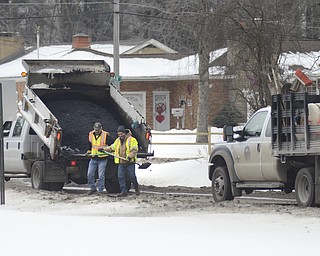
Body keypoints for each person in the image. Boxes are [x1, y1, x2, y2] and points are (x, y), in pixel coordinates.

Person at [106, 125, 140, 197]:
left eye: (121, 134)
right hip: (121, 162)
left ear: (124, 133)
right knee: (120, 177)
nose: (120, 135)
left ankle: (136, 188)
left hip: (129, 162)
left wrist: (130, 157)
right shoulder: (118, 140)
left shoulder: (132, 140)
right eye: (119, 134)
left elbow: (134, 150)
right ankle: (123, 191)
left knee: (132, 176)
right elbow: (112, 147)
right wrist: (104, 149)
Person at [86, 122, 110, 195]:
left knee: (101, 175)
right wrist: (89, 151)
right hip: (93, 157)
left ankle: (100, 190)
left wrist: (103, 149)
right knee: (89, 174)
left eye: (98, 130)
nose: (96, 131)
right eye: (95, 130)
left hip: (102, 158)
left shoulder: (106, 135)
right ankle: (92, 188)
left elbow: (110, 146)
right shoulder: (90, 134)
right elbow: (90, 144)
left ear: (101, 129)